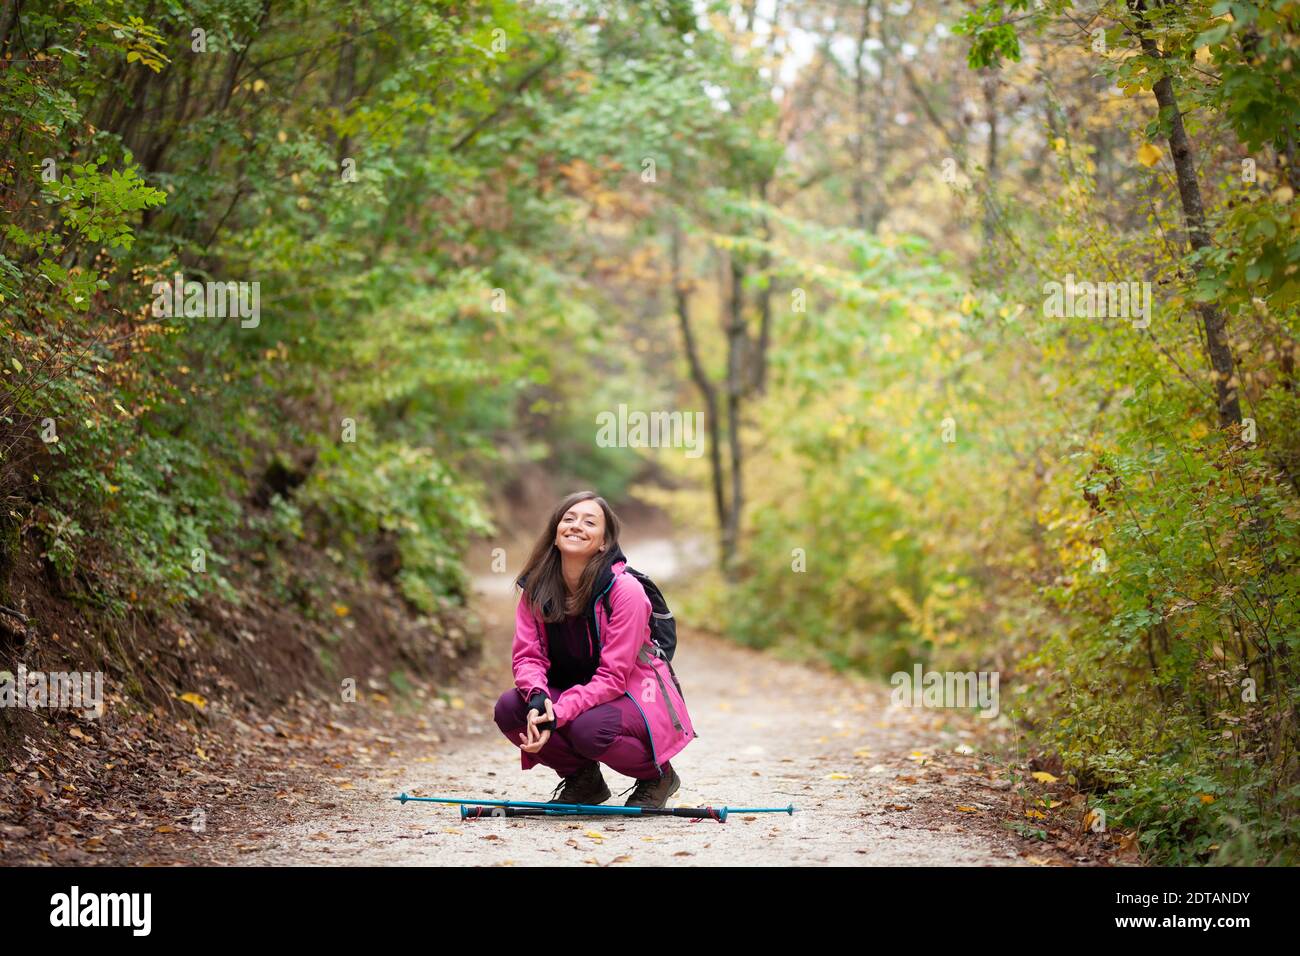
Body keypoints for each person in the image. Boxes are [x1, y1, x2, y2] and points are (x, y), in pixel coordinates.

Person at [492, 491, 696, 808]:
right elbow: (528, 656)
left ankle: (658, 776)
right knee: (511, 707)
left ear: (604, 543)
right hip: (581, 693)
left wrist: (557, 713)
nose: (576, 526)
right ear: (555, 535)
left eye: (590, 522)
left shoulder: (625, 591)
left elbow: (614, 677)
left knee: (590, 729)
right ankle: (583, 780)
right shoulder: (536, 590)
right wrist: (538, 698)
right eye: (568, 519)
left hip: (634, 695)